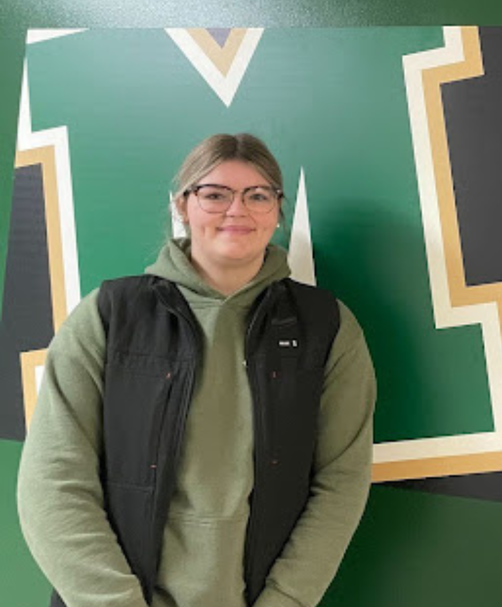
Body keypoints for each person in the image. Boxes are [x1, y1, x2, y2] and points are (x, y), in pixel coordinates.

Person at [18, 133, 376, 607]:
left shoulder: (327, 327)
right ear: (182, 205)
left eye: (258, 195)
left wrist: (286, 599)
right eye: (214, 194)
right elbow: (52, 481)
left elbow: (341, 480)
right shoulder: (108, 316)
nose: (237, 210)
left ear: (276, 210)